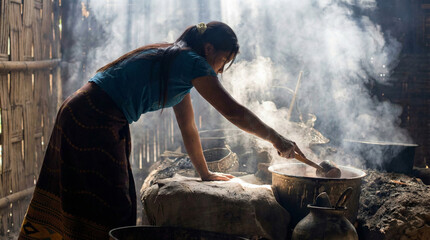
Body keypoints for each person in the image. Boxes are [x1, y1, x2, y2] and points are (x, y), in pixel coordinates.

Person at [19, 21, 305, 240]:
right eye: (223, 62)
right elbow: (232, 111)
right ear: (209, 50)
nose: (219, 71)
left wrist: (205, 174)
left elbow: (189, 128)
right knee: (110, 204)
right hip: (93, 116)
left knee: (106, 199)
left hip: (90, 113)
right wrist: (276, 139)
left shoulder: (177, 63)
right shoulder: (190, 61)